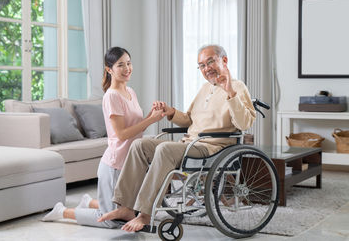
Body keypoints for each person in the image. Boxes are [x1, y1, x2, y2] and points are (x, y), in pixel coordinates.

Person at [98, 44, 256, 232]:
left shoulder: (238, 87)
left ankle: (145, 214)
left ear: (224, 61)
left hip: (212, 147)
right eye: (202, 65)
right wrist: (170, 111)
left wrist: (230, 91)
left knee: (165, 149)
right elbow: (189, 119)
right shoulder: (205, 88)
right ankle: (125, 207)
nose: (207, 68)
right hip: (190, 144)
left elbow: (244, 123)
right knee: (140, 145)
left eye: (210, 62)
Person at [41, 47, 165, 228]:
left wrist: (152, 115)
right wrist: (150, 120)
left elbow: (135, 127)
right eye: (120, 65)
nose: (127, 69)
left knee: (127, 213)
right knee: (112, 221)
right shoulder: (111, 96)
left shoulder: (131, 92)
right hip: (115, 165)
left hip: (131, 163)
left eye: (129, 63)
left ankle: (89, 202)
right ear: (109, 69)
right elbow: (121, 134)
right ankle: (62, 211)